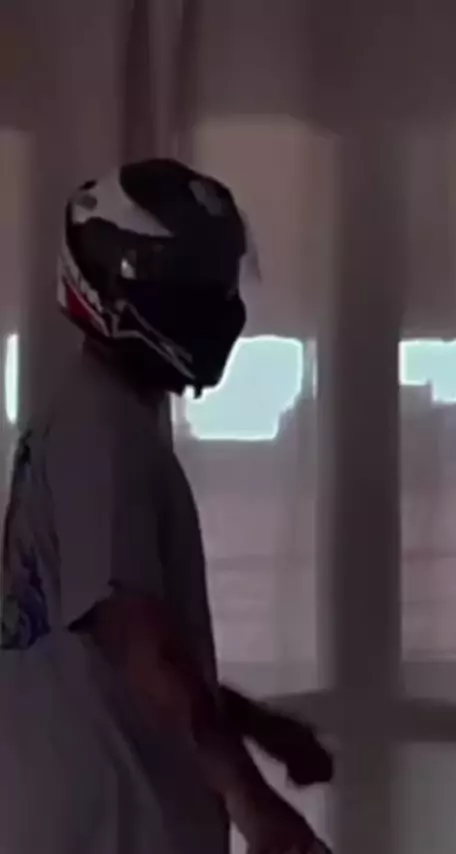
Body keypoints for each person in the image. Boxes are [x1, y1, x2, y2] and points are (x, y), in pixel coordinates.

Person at [0, 158, 332, 854]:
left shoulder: (91, 421)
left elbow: (103, 658)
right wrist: (253, 804)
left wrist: (254, 725)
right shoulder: (101, 434)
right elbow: (137, 640)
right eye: (193, 284)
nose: (218, 307)